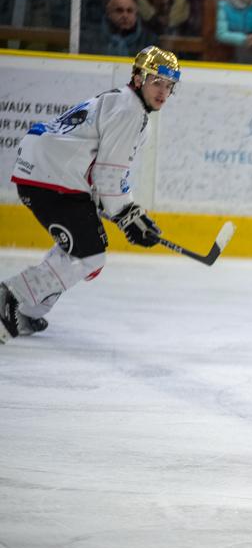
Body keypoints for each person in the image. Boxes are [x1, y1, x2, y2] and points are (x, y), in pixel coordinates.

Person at [1, 46, 180, 344]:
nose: (163, 91)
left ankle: (28, 310)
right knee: (89, 254)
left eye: (169, 85)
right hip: (51, 178)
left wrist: (127, 213)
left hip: (50, 173)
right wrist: (127, 214)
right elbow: (107, 175)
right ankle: (12, 294)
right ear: (138, 78)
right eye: (156, 82)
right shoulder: (130, 112)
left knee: (83, 247)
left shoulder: (124, 104)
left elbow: (104, 175)